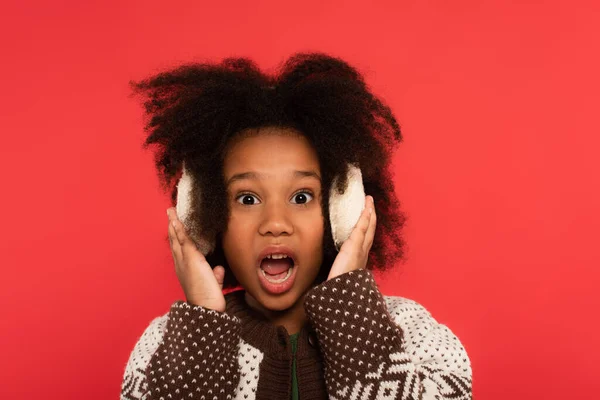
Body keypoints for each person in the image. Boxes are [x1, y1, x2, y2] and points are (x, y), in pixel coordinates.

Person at [120, 53, 472, 400]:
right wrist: (203, 329)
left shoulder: (408, 328)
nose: (275, 224)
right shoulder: (170, 341)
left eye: (301, 197)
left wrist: (350, 315)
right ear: (206, 216)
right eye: (247, 199)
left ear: (340, 211)